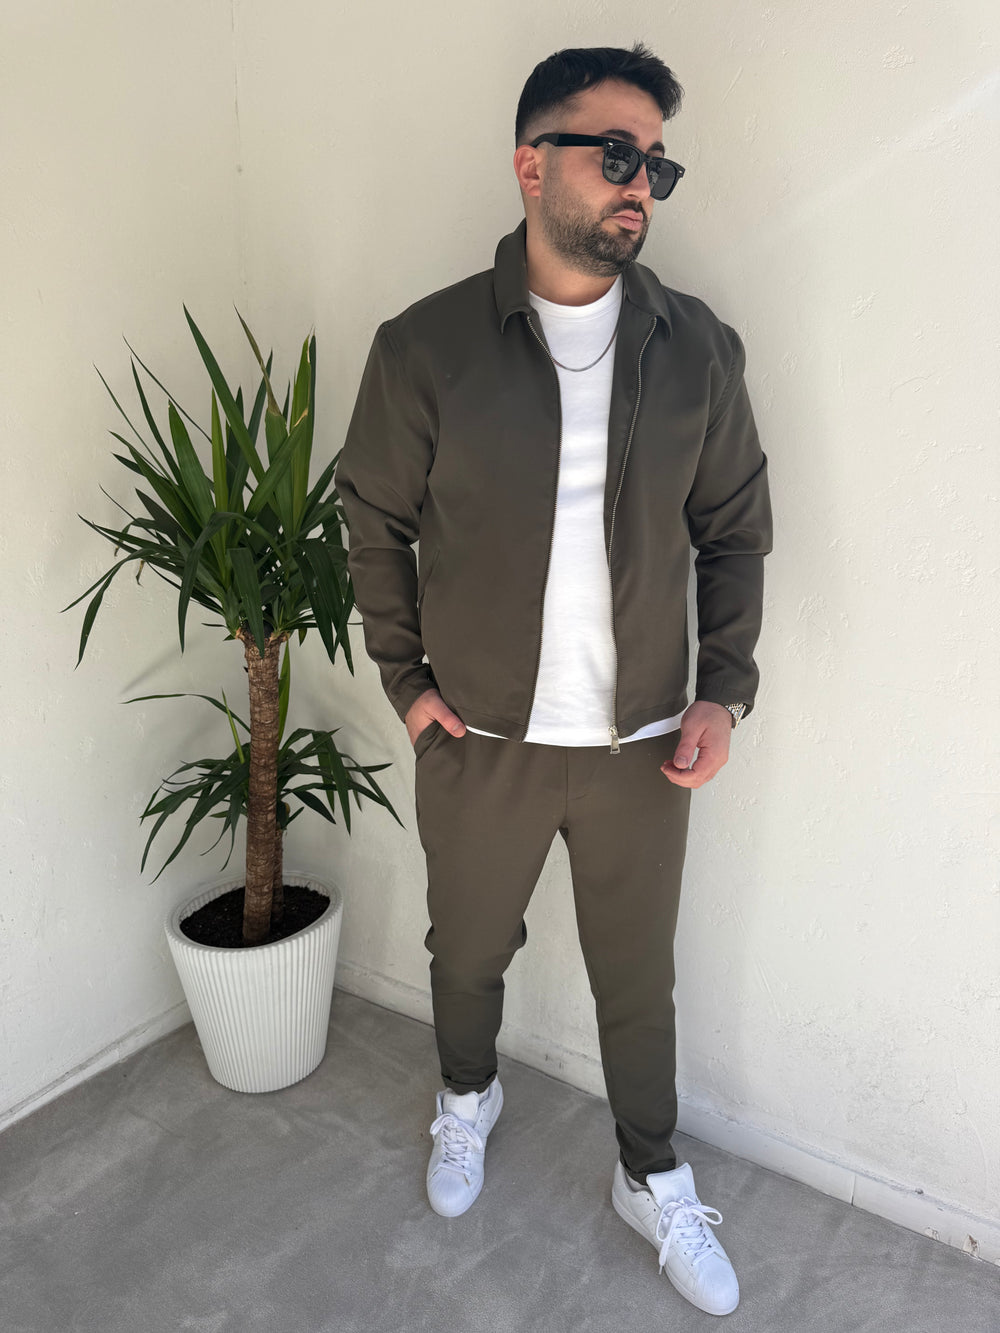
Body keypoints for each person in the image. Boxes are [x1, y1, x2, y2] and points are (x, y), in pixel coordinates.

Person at [335, 43, 772, 1318]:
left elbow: (734, 529)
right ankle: (466, 1095)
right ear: (533, 166)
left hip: (644, 743)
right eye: (616, 154)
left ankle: (651, 1171)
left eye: (657, 166)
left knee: (637, 976)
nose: (641, 184)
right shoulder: (425, 347)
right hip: (482, 735)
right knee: (467, 948)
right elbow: (371, 518)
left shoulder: (697, 350)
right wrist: (408, 682)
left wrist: (722, 688)